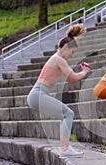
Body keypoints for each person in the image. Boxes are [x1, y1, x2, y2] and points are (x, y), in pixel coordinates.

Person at [27, 24, 90, 157]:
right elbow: (72, 78)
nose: (72, 56)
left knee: (66, 114)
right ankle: (65, 149)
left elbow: (69, 78)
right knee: (68, 114)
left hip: (37, 95)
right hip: (38, 94)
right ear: (66, 47)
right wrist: (84, 72)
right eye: (72, 53)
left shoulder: (57, 59)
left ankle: (65, 148)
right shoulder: (59, 59)